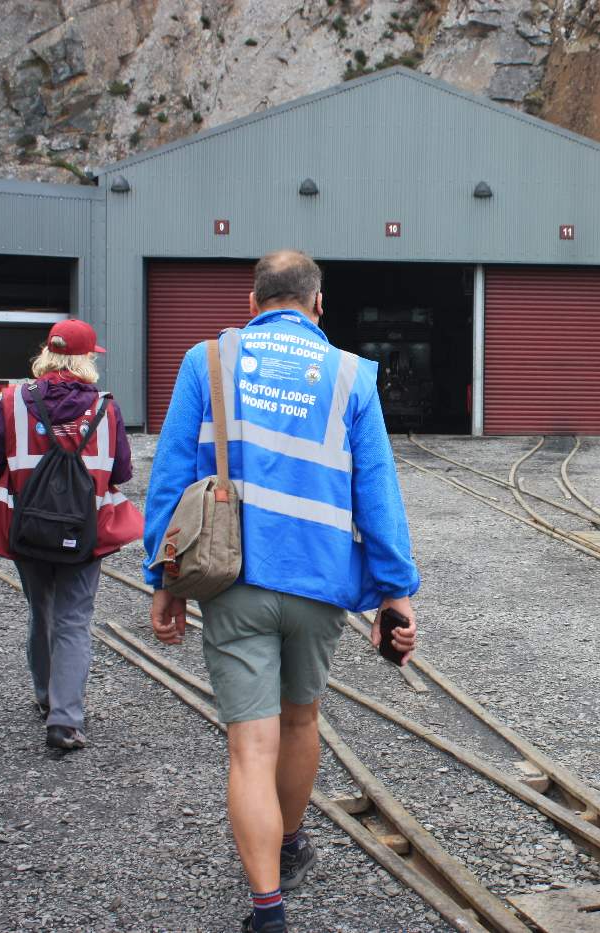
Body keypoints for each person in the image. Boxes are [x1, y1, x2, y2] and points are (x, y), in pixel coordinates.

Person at [143, 250, 420, 933]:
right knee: (300, 723)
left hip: (232, 578)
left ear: (252, 301)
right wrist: (396, 592)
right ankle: (291, 840)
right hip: (322, 583)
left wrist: (163, 578)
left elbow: (171, 473)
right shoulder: (350, 375)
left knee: (250, 747)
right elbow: (377, 489)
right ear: (318, 305)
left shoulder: (206, 361)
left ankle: (268, 908)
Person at [0, 319, 142, 751]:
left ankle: (45, 695)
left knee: (42, 610)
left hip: (27, 529)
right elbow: (122, 470)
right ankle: (65, 721)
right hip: (85, 530)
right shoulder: (107, 407)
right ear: (85, 359)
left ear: (47, 355)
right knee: (73, 619)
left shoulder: (12, 400)